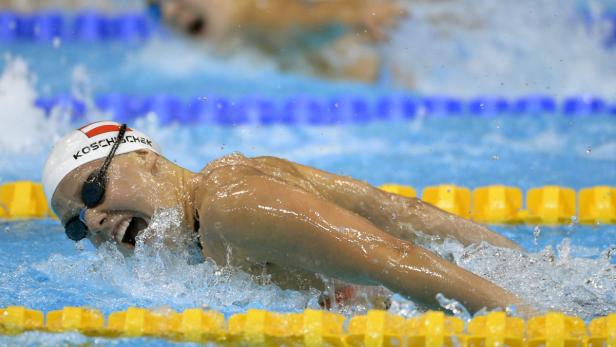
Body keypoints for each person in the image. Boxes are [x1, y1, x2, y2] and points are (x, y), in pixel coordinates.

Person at [43, 121, 532, 315]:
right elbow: (404, 213)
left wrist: (528, 324)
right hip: (501, 274)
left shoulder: (230, 212)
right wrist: (526, 269)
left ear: (147, 157)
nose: (95, 220)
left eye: (93, 188)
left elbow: (393, 255)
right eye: (75, 226)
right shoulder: (228, 180)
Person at [150, 0, 408, 83]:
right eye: (154, 5)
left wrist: (351, 17)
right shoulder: (229, 36)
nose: (168, 13)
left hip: (374, 81)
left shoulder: (248, 15)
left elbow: (295, 22)